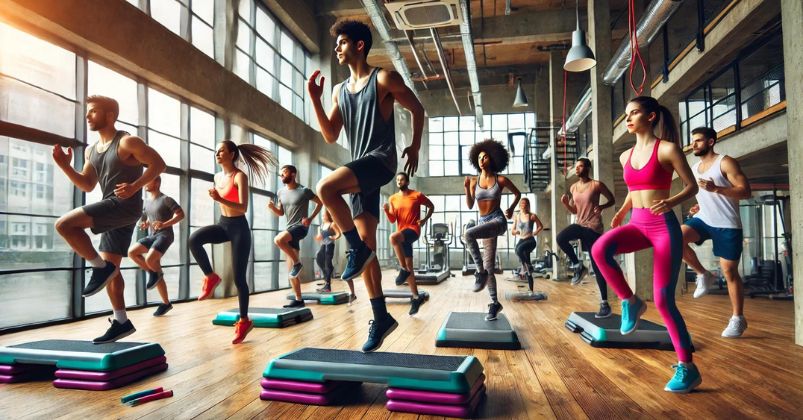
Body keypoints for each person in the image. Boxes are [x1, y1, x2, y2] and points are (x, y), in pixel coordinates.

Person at [309, 19, 424, 352]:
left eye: (342, 42)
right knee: (367, 244)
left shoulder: (384, 78)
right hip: (361, 170)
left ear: (359, 45)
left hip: (380, 160)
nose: (337, 49)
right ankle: (381, 315)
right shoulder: (338, 91)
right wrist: (315, 99)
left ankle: (355, 250)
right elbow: (330, 135)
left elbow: (417, 107)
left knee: (325, 188)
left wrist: (414, 146)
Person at [590, 96, 701, 393]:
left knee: (664, 300)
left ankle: (687, 368)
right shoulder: (626, 156)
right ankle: (630, 300)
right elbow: (633, 188)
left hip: (663, 227)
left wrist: (671, 201)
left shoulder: (667, 149)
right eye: (626, 114)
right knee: (599, 249)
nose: (628, 119)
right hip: (637, 223)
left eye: (634, 113)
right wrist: (623, 211)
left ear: (651, 117)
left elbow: (692, 185)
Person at [53, 95, 166, 343]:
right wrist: (64, 166)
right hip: (115, 210)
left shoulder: (127, 142)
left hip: (124, 205)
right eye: (88, 112)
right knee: (112, 269)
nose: (87, 116)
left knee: (64, 225)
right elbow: (86, 184)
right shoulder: (92, 151)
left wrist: (135, 186)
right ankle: (121, 321)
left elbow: (158, 164)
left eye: (93, 111)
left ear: (110, 116)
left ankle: (99, 268)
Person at [189, 140, 276, 344]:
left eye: (221, 151)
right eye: (216, 151)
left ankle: (244, 321)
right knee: (194, 239)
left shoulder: (240, 176)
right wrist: (219, 199)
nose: (217, 154)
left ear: (232, 154)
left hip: (239, 229)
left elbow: (243, 207)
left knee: (239, 279)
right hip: (223, 225)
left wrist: (220, 199)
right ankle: (211, 277)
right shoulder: (218, 176)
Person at [682, 126, 751, 337]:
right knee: (674, 238)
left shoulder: (726, 162)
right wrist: (699, 206)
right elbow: (703, 195)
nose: (694, 144)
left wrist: (717, 189)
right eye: (693, 141)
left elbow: (745, 192)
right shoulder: (695, 167)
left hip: (727, 223)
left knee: (730, 271)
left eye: (699, 141)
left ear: (711, 142)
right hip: (704, 219)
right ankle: (703, 274)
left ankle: (738, 319)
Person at [463, 139, 521, 321]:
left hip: (497, 220)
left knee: (468, 234)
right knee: (489, 266)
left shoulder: (500, 180)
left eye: (485, 156)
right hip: (483, 222)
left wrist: (511, 209)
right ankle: (495, 303)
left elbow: (518, 193)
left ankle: (478, 272)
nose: (481, 160)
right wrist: (466, 188)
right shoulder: (474, 181)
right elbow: (471, 204)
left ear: (492, 158)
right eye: (479, 157)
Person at [558, 158, 616, 317]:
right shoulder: (573, 187)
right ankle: (578, 266)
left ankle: (604, 304)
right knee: (561, 238)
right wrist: (565, 204)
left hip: (594, 228)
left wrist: (602, 206)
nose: (577, 169)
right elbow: (575, 211)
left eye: (580, 166)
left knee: (598, 267)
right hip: (581, 225)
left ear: (588, 167)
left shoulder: (596, 185)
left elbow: (612, 199)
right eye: (576, 167)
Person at [128, 176, 184, 316]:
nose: (145, 183)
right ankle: (165, 302)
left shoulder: (166, 199)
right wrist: (146, 223)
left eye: (148, 180)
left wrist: (164, 224)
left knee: (150, 260)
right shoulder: (146, 202)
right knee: (132, 252)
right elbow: (149, 216)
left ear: (157, 182)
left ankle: (155, 273)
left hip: (165, 235)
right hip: (153, 235)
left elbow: (181, 215)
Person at [267, 165, 322, 308]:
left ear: (293, 174)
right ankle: (299, 299)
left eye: (284, 173)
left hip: (301, 227)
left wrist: (310, 218)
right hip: (289, 229)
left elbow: (320, 203)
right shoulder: (280, 192)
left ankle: (298, 263)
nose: (281, 176)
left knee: (278, 239)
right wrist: (273, 208)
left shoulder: (304, 191)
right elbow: (281, 213)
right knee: (292, 273)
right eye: (280, 174)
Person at [384, 172, 434, 315]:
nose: (399, 182)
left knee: (393, 238)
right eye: (397, 180)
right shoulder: (393, 198)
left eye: (402, 179)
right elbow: (393, 220)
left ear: (407, 181)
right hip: (402, 234)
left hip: (413, 230)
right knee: (410, 267)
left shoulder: (417, 195)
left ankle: (403, 269)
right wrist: (387, 211)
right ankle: (416, 297)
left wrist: (424, 220)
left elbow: (431, 206)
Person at [315, 209, 357, 303]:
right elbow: (319, 237)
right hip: (323, 245)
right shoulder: (320, 226)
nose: (322, 217)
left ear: (328, 215)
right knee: (319, 258)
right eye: (321, 216)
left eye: (324, 215)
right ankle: (328, 272)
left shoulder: (332, 224)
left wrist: (333, 237)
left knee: (327, 263)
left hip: (330, 245)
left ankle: (327, 285)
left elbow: (338, 234)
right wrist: (319, 237)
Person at [510, 197, 543, 293]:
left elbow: (540, 226)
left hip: (530, 240)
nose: (523, 205)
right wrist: (515, 231)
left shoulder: (532, 216)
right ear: (520, 205)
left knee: (518, 249)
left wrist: (535, 232)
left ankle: (527, 266)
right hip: (521, 240)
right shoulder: (517, 216)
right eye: (522, 203)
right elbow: (512, 230)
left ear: (528, 205)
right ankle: (531, 289)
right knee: (519, 252)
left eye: (525, 203)